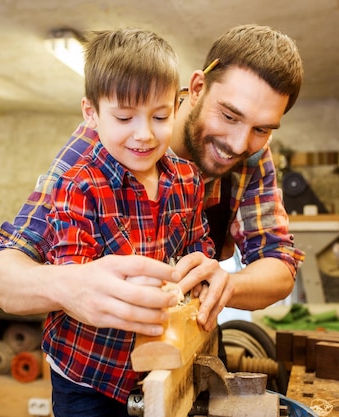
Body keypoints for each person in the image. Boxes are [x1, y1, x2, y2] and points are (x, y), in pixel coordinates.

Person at [0, 19, 305, 398]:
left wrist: (227, 283)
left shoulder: (252, 152)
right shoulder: (99, 147)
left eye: (262, 129)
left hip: (186, 360)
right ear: (197, 88)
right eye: (229, 116)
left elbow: (280, 264)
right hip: (98, 376)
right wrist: (69, 285)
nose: (238, 142)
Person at [38, 28, 214, 415]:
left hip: (159, 363)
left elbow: (199, 247)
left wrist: (200, 269)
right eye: (123, 117)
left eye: (160, 115)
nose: (144, 134)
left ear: (177, 105)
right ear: (91, 113)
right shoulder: (77, 185)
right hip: (87, 373)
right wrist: (137, 284)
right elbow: (73, 280)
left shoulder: (187, 179)